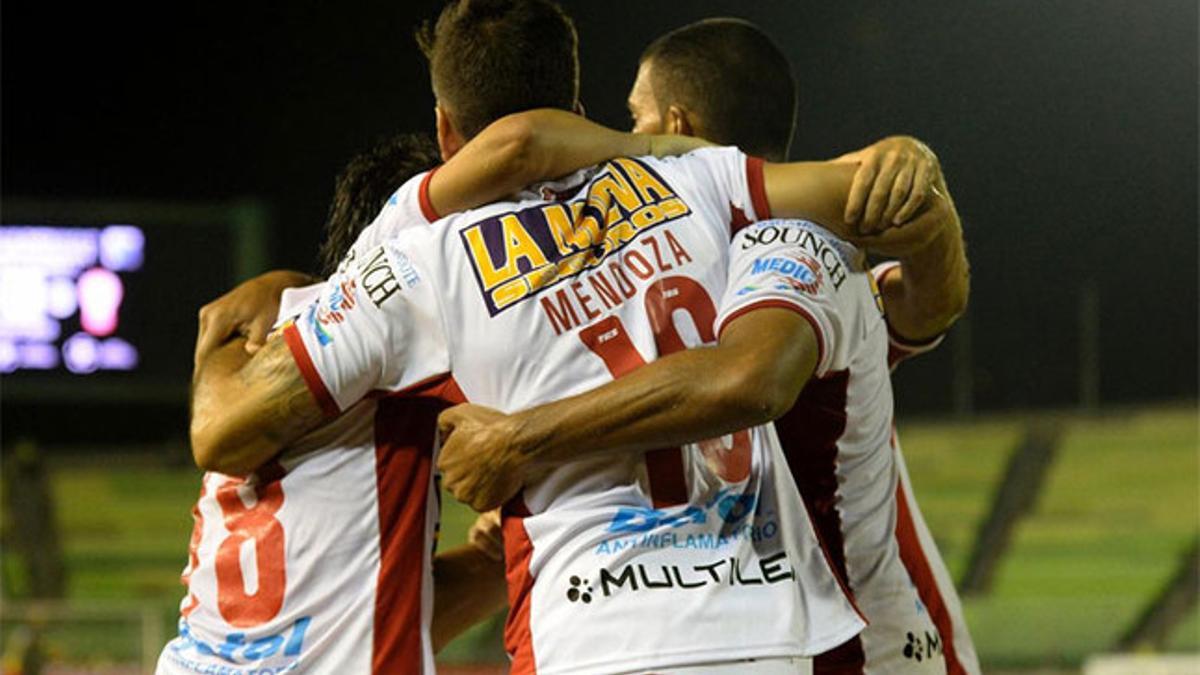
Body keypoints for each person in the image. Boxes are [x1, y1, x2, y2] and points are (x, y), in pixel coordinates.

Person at [438, 17, 980, 675]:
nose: (618, 142)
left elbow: (750, 375)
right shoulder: (683, 278)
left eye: (633, 119)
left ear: (677, 126)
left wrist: (923, 187)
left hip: (875, 644)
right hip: (784, 630)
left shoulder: (791, 243)